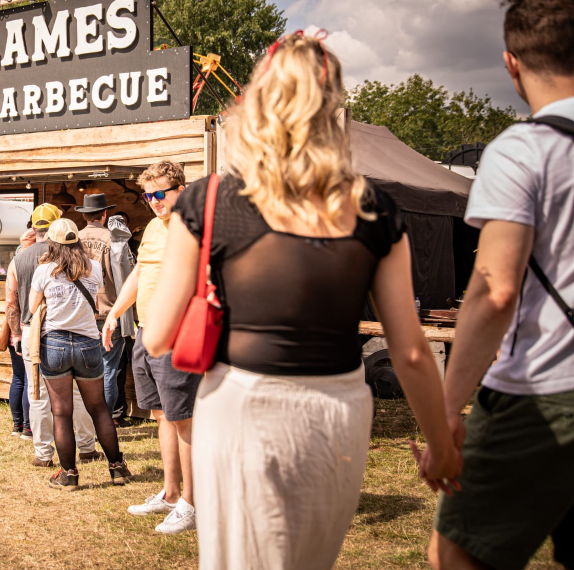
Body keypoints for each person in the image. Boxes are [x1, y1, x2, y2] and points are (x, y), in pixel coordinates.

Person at [142, 32, 462, 569]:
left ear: (256, 105)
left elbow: (157, 334)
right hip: (335, 407)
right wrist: (442, 445)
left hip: (239, 401)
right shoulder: (373, 208)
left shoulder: (209, 199)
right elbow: (409, 350)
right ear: (333, 108)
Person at [428, 0, 574, 570]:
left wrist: (446, 415)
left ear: (511, 64)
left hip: (544, 391)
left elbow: (494, 290)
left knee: (457, 555)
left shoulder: (523, 150)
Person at [102, 160, 201, 534]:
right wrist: (115, 313)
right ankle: (172, 494)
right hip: (146, 331)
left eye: (160, 193)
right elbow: (141, 272)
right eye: (148, 196)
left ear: (180, 189)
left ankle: (192, 503)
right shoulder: (154, 231)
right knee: (160, 414)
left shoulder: (193, 225)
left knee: (184, 418)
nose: (154, 201)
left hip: (177, 333)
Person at [29, 218, 132, 490]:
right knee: (99, 408)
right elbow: (95, 300)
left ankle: (69, 474)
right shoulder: (93, 267)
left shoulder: (44, 271)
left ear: (51, 242)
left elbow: (31, 307)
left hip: (55, 344)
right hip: (88, 343)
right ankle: (117, 467)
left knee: (61, 413)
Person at [8, 203, 100, 468]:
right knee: (79, 394)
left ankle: (43, 453)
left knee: (37, 393)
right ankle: (86, 446)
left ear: (34, 227)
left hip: (33, 330)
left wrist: (15, 333)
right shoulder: (76, 260)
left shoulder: (20, 258)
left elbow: (11, 301)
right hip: (74, 332)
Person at [75, 193, 129, 423]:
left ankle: (86, 423)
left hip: (79, 314)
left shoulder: (74, 238)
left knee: (83, 372)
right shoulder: (113, 238)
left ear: (85, 216)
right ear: (104, 214)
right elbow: (123, 276)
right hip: (109, 311)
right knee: (108, 370)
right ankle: (103, 423)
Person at [107, 212, 137, 424]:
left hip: (116, 313)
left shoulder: (131, 246)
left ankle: (119, 412)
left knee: (118, 366)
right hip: (119, 313)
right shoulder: (123, 247)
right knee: (116, 366)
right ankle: (115, 414)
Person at [3, 257, 30, 438]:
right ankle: (28, 427)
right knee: (28, 379)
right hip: (29, 328)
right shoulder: (38, 259)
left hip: (15, 330)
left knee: (18, 377)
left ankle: (17, 425)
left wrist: (15, 333)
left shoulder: (16, 261)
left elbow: (10, 302)